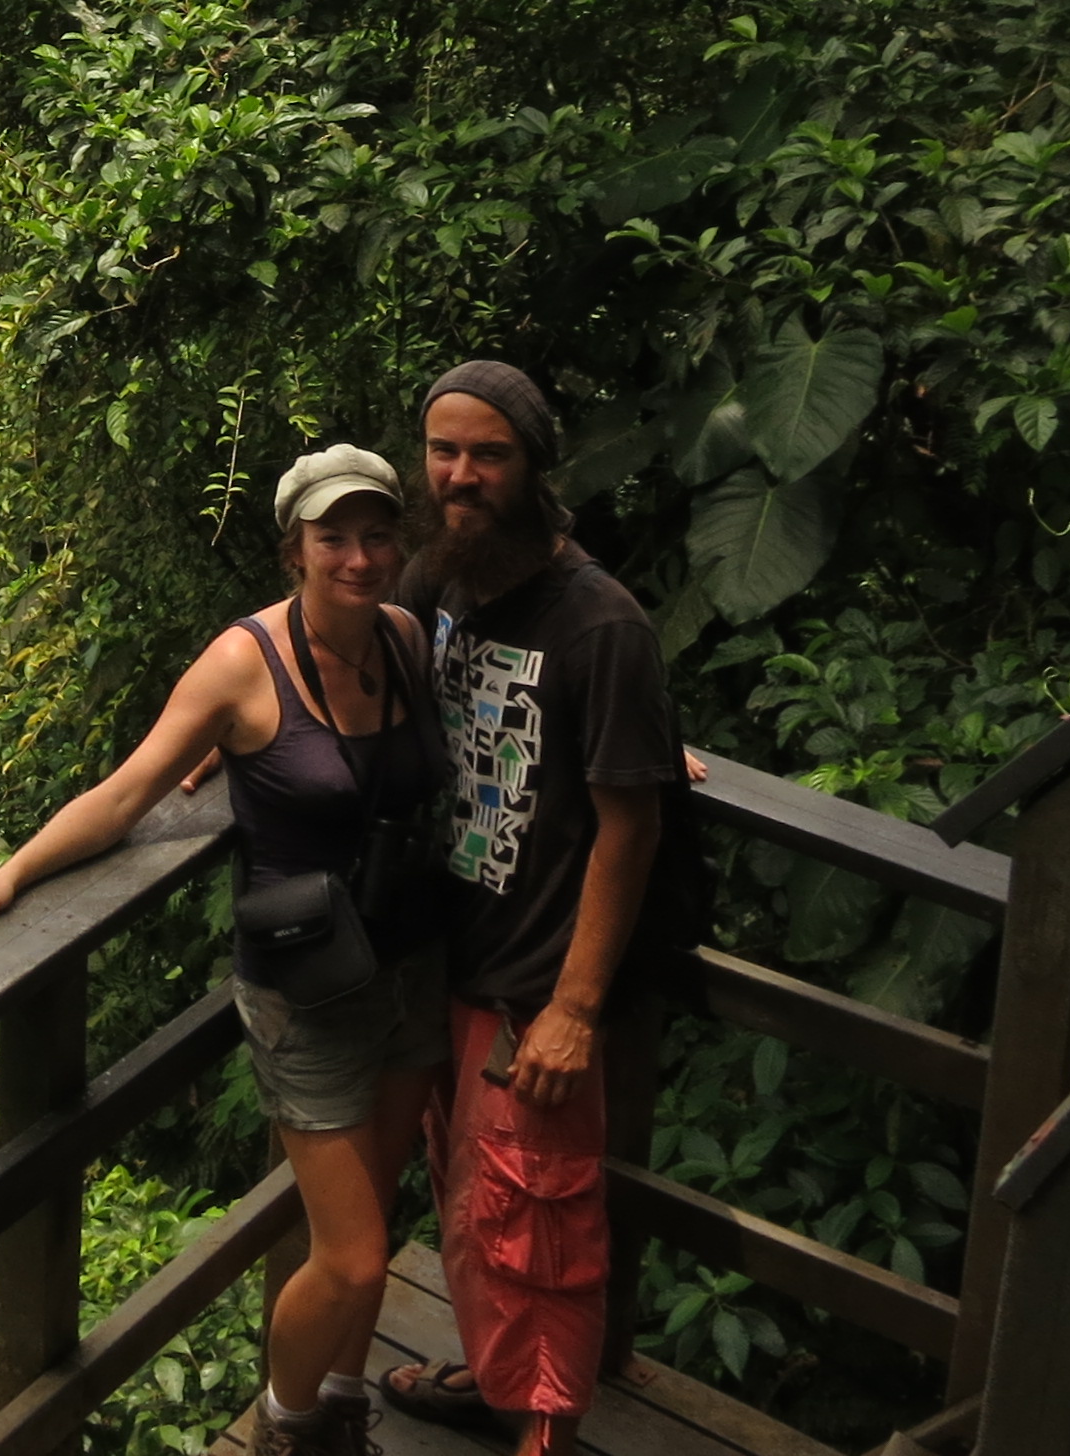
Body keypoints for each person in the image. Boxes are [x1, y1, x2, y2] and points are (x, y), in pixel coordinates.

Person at [0, 445, 446, 1456]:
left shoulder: (403, 638)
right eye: (333, 538)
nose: (358, 557)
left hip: (409, 969)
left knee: (379, 1215)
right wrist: (18, 870)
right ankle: (286, 1425)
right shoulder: (240, 665)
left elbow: (490, 730)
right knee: (352, 1257)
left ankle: (342, 1401)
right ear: (294, 549)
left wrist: (637, 737)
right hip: (305, 994)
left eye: (376, 535)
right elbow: (126, 795)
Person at [379, 359, 687, 1456]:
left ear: (535, 464)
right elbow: (345, 662)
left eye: (489, 454)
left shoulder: (600, 625)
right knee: (470, 1201)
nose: (461, 475)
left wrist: (576, 1007)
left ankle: (541, 1432)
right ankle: (488, 1378)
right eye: (443, 451)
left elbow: (629, 827)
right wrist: (218, 731)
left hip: (533, 986)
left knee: (536, 1225)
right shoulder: (440, 577)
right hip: (449, 957)